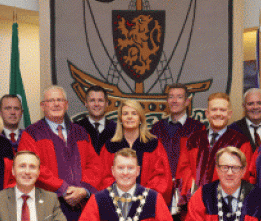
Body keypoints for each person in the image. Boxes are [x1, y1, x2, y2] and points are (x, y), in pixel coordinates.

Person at [17, 85, 103, 221]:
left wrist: (83, 189)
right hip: (48, 207)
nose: (56, 104)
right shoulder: (31, 133)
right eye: (50, 100)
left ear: (66, 104)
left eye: (60, 100)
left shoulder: (80, 132)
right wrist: (64, 188)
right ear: (43, 106)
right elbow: (32, 168)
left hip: (82, 207)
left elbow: (94, 165)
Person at [73, 148, 176, 221]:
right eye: (120, 168)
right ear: (113, 171)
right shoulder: (99, 199)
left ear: (138, 171)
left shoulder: (153, 199)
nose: (125, 172)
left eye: (130, 168)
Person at [176, 92, 252, 200]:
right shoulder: (193, 140)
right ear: (207, 113)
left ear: (229, 114)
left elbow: (243, 176)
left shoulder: (240, 142)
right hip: (193, 201)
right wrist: (196, 193)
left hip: (224, 205)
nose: (218, 114)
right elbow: (182, 171)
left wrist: (217, 196)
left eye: (222, 110)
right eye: (214, 109)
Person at [98, 99, 171, 201]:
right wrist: (121, 194)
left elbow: (161, 178)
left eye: (134, 113)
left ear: (140, 118)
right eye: (125, 114)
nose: (129, 117)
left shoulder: (153, 145)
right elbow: (104, 177)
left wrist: (143, 196)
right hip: (116, 203)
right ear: (120, 119)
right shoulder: (110, 147)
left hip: (147, 203)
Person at [150, 84, 206, 213]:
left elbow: (199, 164)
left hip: (187, 191)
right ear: (167, 101)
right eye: (171, 97)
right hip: (161, 189)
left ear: (187, 101)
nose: (174, 101)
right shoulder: (156, 128)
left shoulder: (197, 128)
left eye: (179, 97)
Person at [75, 85, 117, 154]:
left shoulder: (116, 129)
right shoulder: (76, 129)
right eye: (92, 100)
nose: (96, 104)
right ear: (86, 103)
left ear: (106, 103)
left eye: (100, 100)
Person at [229, 88, 261, 152]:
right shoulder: (232, 131)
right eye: (250, 104)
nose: (255, 107)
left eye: (259, 103)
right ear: (244, 106)